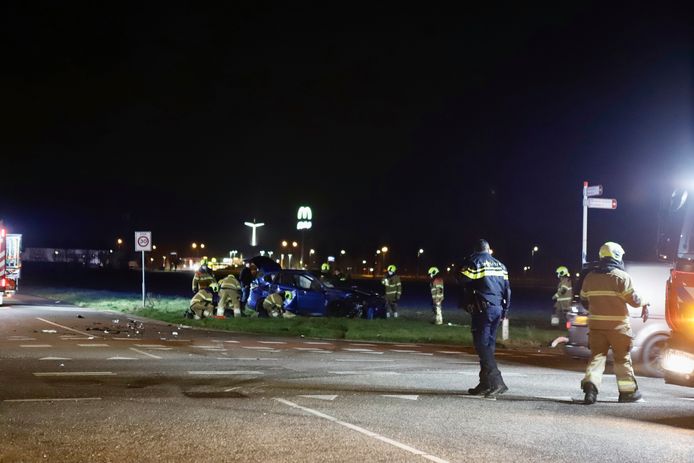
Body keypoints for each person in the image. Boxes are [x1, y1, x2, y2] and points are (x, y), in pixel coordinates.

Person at [579, 242, 649, 405]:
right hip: (618, 328)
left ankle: (590, 387)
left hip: (596, 327)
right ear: (617, 256)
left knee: (597, 357)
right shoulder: (621, 277)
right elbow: (634, 301)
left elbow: (584, 300)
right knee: (622, 359)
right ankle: (628, 393)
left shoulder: (589, 277)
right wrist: (646, 302)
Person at [459, 239, 511, 398]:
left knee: (481, 344)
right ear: (489, 250)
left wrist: (465, 262)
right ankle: (485, 383)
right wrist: (505, 311)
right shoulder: (500, 265)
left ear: (476, 250)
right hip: (497, 309)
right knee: (488, 346)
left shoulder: (475, 261)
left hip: (483, 309)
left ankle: (497, 381)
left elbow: (462, 279)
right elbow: (508, 290)